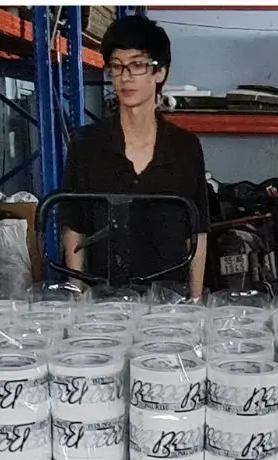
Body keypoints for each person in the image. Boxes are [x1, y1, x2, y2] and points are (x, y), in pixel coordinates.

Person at [60, 15, 209, 298]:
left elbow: (197, 233)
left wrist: (195, 301)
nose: (125, 77)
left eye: (137, 65)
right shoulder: (86, 145)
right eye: (117, 67)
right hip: (104, 302)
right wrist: (75, 297)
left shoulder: (185, 147)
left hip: (169, 301)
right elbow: (74, 228)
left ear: (159, 72)